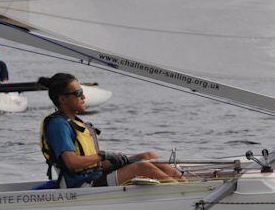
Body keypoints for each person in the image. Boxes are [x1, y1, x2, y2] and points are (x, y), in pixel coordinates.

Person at [38, 73, 184, 188]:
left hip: (96, 175)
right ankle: (182, 194)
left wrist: (115, 160)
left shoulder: (76, 122)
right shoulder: (58, 124)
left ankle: (187, 187)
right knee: (142, 167)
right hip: (81, 185)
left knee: (148, 156)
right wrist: (102, 156)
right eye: (78, 93)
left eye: (82, 92)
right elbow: (72, 163)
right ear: (63, 99)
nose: (84, 97)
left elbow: (93, 163)